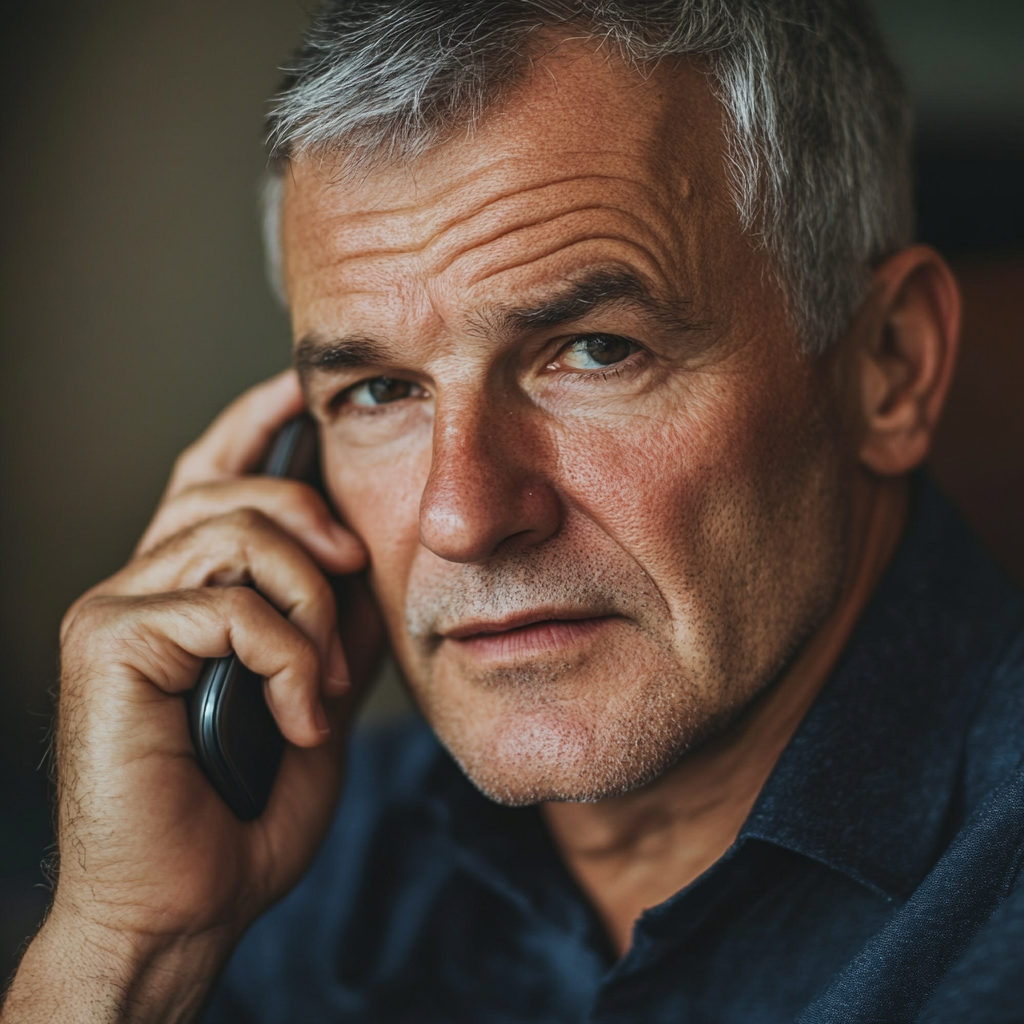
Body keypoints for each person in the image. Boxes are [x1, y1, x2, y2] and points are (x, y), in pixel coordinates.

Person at [4, 0, 1024, 1020]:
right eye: (379, 391)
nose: (462, 515)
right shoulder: (279, 880)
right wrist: (132, 946)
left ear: (888, 362)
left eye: (594, 350)